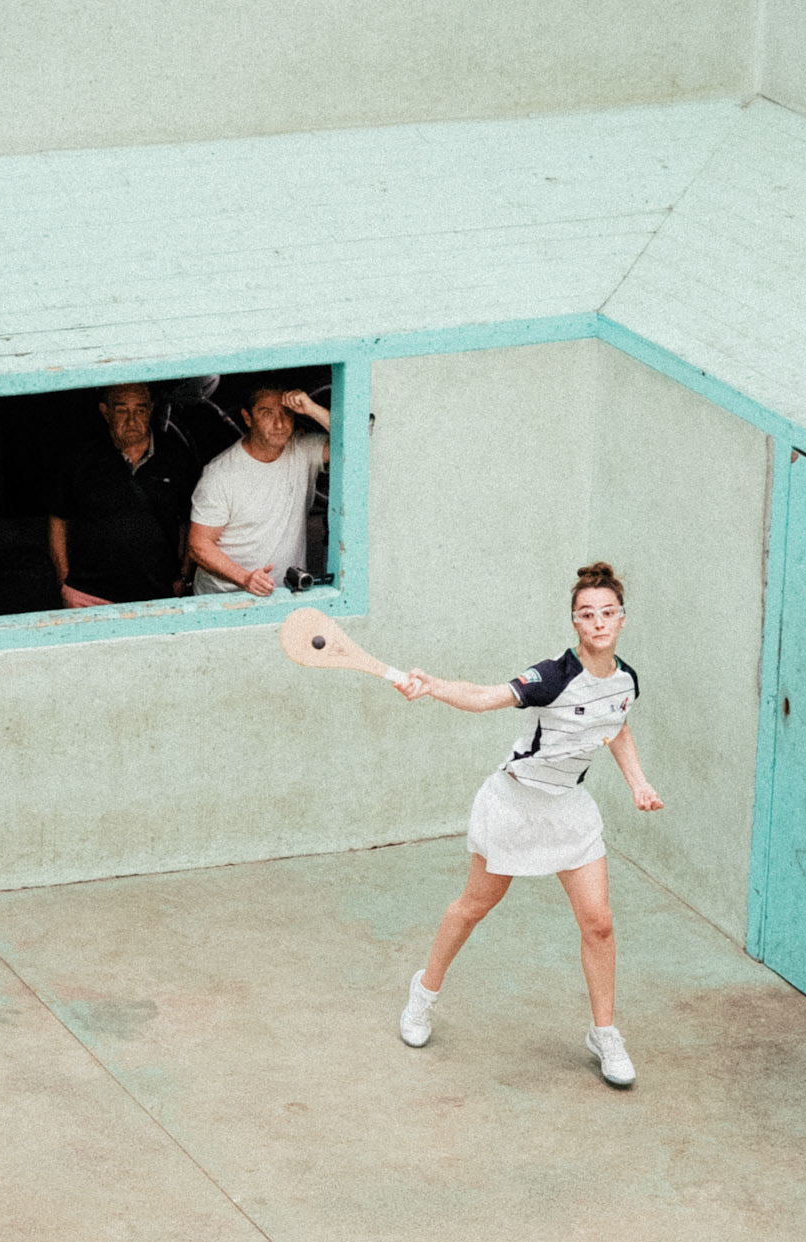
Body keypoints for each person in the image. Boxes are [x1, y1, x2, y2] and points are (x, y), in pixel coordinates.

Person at [393, 562, 662, 1085]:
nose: (599, 623)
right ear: (575, 624)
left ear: (623, 619)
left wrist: (638, 783)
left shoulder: (626, 679)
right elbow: (488, 696)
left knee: (599, 923)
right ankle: (423, 994)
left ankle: (604, 1033)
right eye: (588, 615)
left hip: (569, 809)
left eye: (608, 613)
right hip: (514, 805)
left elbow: (616, 725)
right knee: (475, 906)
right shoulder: (553, 675)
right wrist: (435, 686)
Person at [47, 383, 200, 607]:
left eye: (140, 410)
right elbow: (59, 519)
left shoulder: (175, 455)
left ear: (151, 409)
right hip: (88, 594)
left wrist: (184, 576)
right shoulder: (82, 457)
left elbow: (191, 520)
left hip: (158, 592)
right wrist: (65, 581)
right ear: (105, 411)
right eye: (121, 411)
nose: (132, 420)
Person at [188, 384, 329, 596]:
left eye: (286, 413)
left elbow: (356, 440)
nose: (279, 423)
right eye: (267, 413)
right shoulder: (220, 474)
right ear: (247, 418)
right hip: (225, 598)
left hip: (283, 592)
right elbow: (199, 545)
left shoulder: (303, 451)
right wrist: (245, 578)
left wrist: (311, 408)